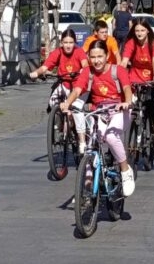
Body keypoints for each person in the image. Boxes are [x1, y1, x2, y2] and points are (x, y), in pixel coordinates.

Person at [59, 40, 135, 197]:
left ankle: (125, 170)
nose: (96, 61)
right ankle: (90, 179)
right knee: (93, 142)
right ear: (88, 57)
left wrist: (126, 102)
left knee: (111, 137)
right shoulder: (87, 72)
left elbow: (127, 88)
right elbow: (77, 89)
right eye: (93, 57)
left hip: (119, 111)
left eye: (100, 56)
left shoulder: (118, 70)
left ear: (107, 56)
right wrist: (67, 103)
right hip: (99, 111)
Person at [29, 29, 89, 153]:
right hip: (63, 84)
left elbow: (85, 65)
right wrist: (36, 73)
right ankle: (59, 122)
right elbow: (45, 67)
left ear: (75, 43)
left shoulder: (79, 52)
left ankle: (79, 135)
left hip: (78, 86)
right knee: (52, 103)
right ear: (61, 43)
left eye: (71, 42)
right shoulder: (57, 52)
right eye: (65, 42)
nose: (68, 45)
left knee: (76, 110)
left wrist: (84, 70)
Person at [121, 17, 154, 144]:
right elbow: (124, 61)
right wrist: (117, 74)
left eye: (142, 30)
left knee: (150, 100)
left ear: (147, 31)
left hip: (153, 78)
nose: (139, 33)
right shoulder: (131, 43)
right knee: (130, 101)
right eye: (137, 31)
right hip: (135, 76)